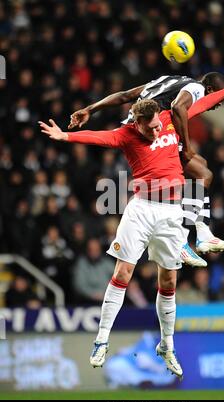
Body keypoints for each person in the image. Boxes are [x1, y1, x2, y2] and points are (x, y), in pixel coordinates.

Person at [39, 99, 189, 378]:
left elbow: (201, 105)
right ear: (138, 123)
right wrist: (65, 136)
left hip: (171, 212)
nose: (157, 131)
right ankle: (102, 339)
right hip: (141, 208)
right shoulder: (126, 134)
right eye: (151, 127)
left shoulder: (169, 117)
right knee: (123, 271)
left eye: (159, 125)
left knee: (168, 281)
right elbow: (98, 137)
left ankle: (167, 345)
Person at [69, 73, 224, 266]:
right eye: (217, 98)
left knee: (203, 170)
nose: (217, 103)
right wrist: (186, 145)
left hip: (136, 133)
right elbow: (178, 107)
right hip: (151, 135)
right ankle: (185, 239)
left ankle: (202, 232)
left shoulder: (166, 80)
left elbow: (125, 95)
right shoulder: (196, 89)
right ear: (209, 90)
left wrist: (91, 109)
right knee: (202, 174)